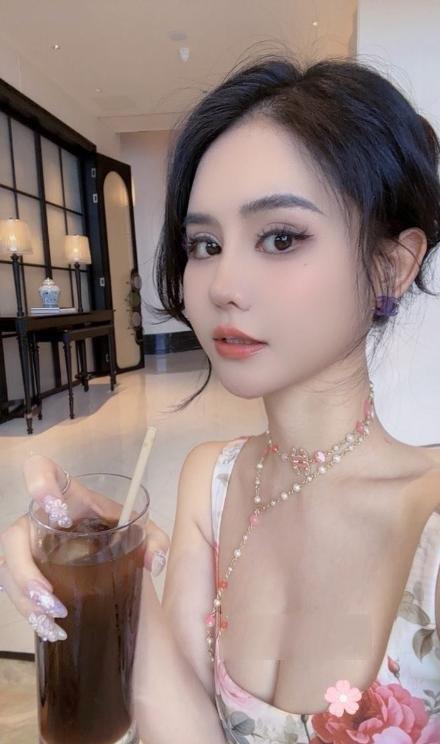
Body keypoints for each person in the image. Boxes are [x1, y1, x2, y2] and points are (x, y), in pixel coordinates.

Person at [2, 51, 440, 744]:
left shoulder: (431, 521)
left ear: (391, 264)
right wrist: (113, 569)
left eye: (280, 237)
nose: (222, 285)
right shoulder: (211, 481)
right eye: (204, 244)